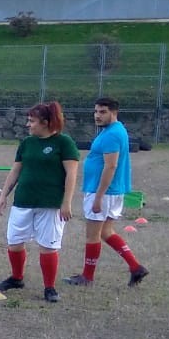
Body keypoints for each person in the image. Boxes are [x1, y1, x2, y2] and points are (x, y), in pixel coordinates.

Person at [0, 101, 79, 303]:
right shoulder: (27, 143)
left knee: (48, 245)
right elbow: (16, 170)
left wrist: (66, 202)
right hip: (23, 201)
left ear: (46, 122)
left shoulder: (64, 143)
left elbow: (71, 174)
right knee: (14, 241)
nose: (27, 125)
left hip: (50, 204)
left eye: (32, 121)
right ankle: (16, 278)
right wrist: (3, 195)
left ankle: (49, 287)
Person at [65, 97, 149, 288]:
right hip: (110, 191)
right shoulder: (115, 130)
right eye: (96, 111)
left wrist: (99, 197)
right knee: (106, 232)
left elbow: (111, 166)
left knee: (92, 235)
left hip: (102, 192)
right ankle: (136, 267)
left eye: (102, 112)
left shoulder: (112, 135)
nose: (97, 116)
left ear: (114, 112)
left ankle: (87, 277)